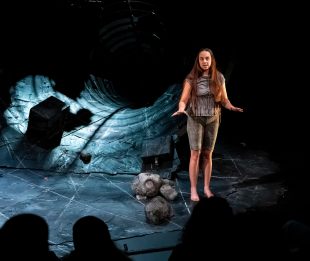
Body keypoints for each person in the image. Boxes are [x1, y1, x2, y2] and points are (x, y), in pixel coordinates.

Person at [172, 48, 243, 201]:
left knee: (207, 154)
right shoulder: (191, 79)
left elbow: (224, 99)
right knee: (195, 154)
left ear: (212, 61)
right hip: (196, 118)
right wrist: (181, 109)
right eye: (202, 59)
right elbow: (183, 100)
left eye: (207, 59)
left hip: (213, 119)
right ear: (198, 61)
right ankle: (193, 189)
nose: (204, 61)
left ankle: (206, 187)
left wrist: (230, 106)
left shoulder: (219, 77)